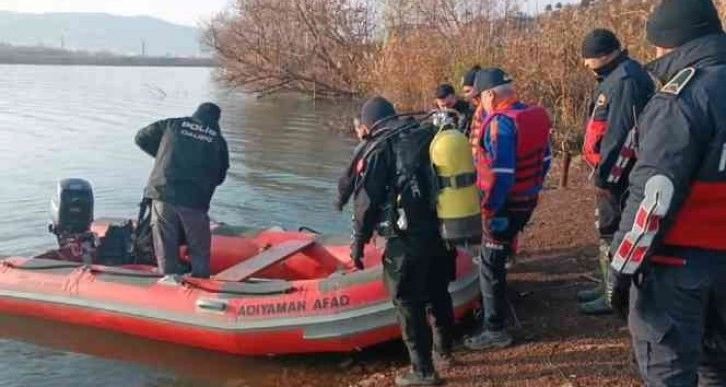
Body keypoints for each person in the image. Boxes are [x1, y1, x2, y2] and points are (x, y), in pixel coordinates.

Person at [608, 0, 726, 385]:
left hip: (677, 267)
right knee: (717, 368)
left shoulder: (682, 99)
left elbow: (654, 195)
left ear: (668, 43)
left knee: (669, 372)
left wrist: (622, 269)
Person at [346, 96, 456, 386]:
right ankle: (445, 350)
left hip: (405, 238)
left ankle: (422, 371)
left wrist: (358, 243)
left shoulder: (380, 147)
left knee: (407, 301)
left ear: (368, 125)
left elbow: (365, 203)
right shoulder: (425, 133)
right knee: (438, 290)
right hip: (440, 230)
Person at [464, 68, 552, 350]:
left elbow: (501, 175)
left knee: (489, 264)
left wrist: (490, 210)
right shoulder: (534, 116)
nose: (480, 104)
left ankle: (495, 330)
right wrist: (532, 190)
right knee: (499, 256)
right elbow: (546, 159)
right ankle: (496, 313)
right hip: (527, 201)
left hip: (506, 206)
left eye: (480, 99)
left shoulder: (499, 124)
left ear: (490, 94)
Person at [577, 29, 655, 315]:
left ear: (606, 55)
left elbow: (622, 135)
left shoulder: (625, 80)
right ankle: (605, 284)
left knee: (614, 230)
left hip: (619, 176)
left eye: (589, 59)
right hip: (609, 171)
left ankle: (613, 294)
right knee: (605, 231)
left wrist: (607, 177)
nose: (585, 65)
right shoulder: (615, 76)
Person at [135, 103, 229, 279]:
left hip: (162, 192)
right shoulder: (217, 140)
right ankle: (200, 280)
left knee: (164, 243)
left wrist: (163, 156)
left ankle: (168, 280)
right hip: (194, 200)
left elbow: (141, 138)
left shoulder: (172, 124)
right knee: (199, 247)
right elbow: (220, 176)